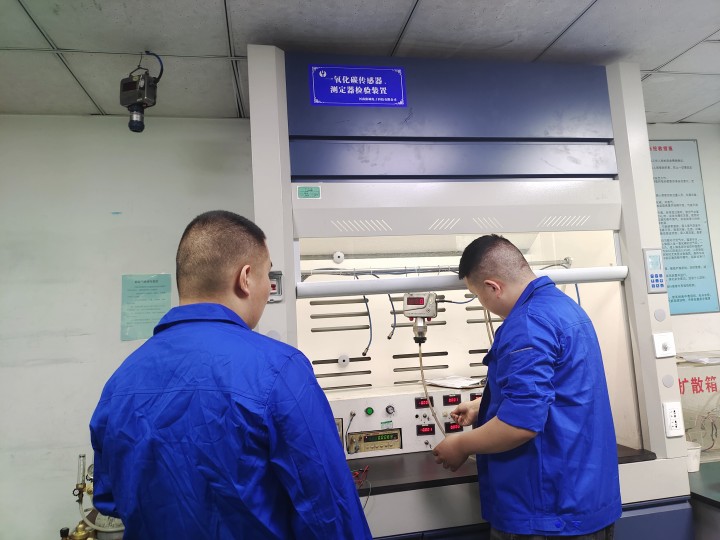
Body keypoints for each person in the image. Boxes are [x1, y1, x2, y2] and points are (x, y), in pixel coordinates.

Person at [90, 210, 372, 539]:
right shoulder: (280, 369)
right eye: (268, 275)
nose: (269, 288)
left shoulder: (120, 382)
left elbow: (108, 498)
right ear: (245, 278)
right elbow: (330, 511)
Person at [432, 234, 621, 539]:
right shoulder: (564, 308)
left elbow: (520, 425)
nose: (483, 303)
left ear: (493, 287)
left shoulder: (528, 323)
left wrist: (460, 445)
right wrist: (482, 406)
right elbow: (559, 391)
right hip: (584, 496)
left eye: (478, 295)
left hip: (545, 512)